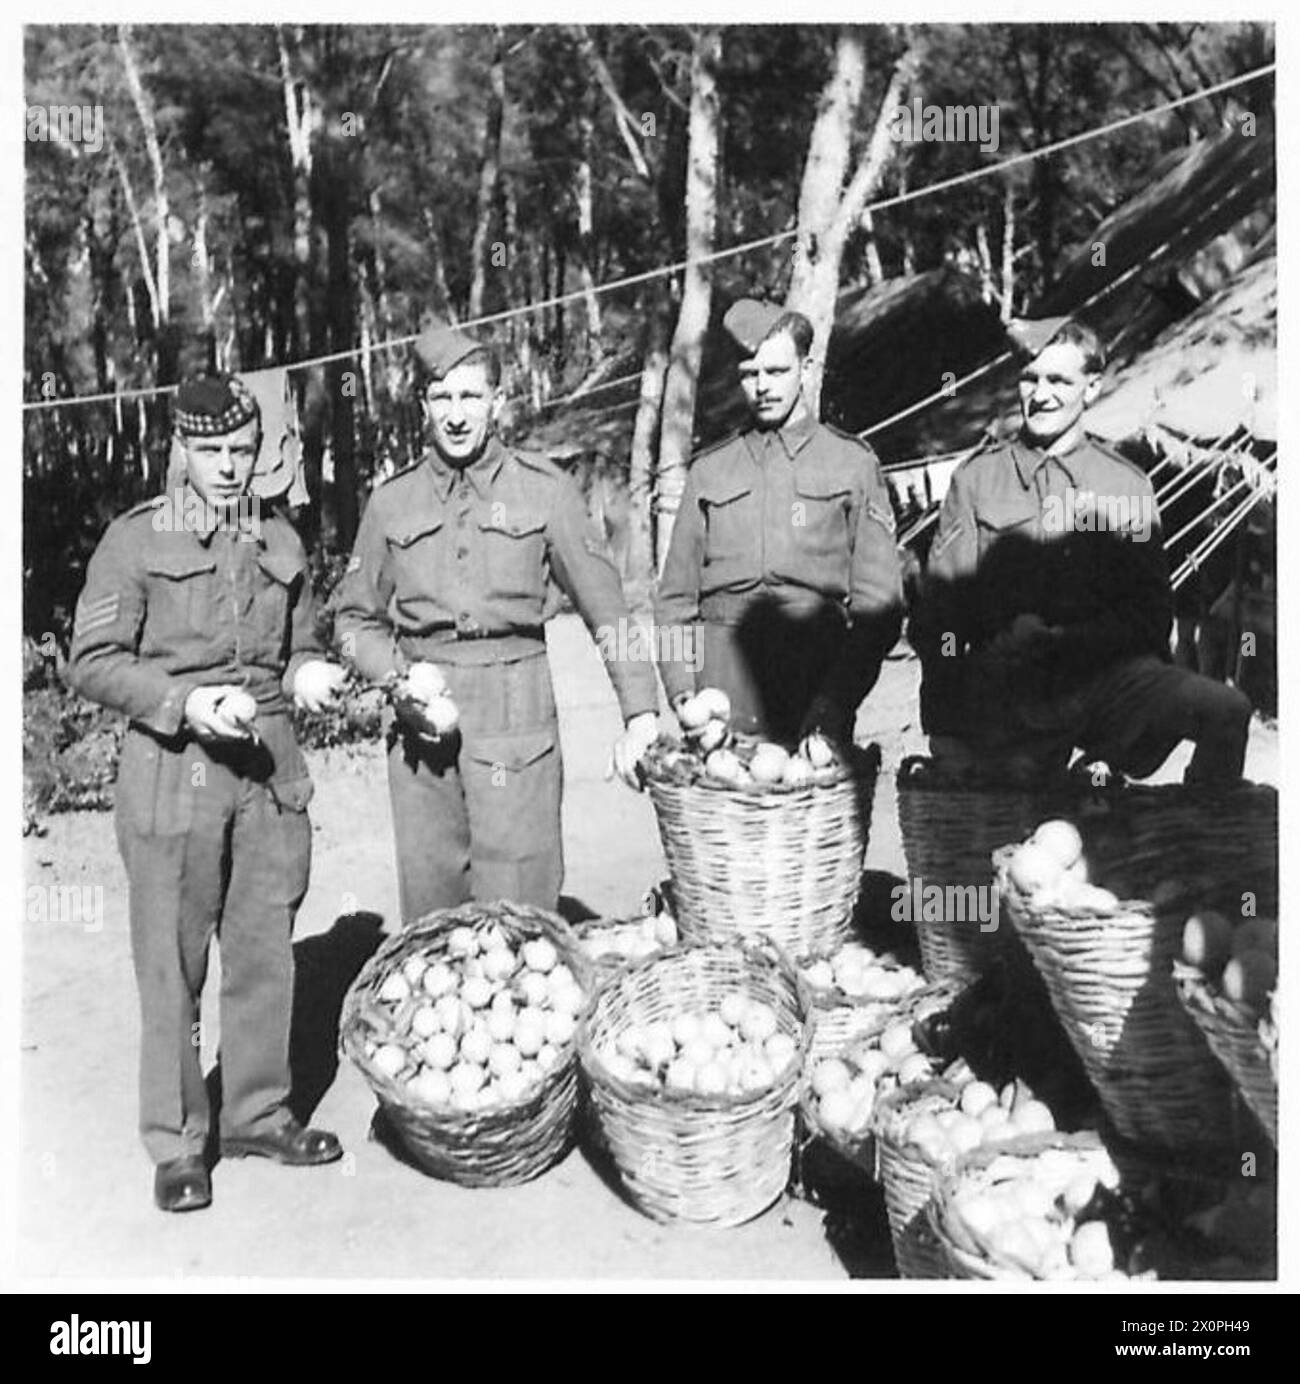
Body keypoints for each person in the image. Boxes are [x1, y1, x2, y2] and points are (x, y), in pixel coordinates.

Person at [67, 374, 349, 1214]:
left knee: (264, 948)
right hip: (173, 765)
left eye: (243, 453)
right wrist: (183, 702)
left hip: (266, 765)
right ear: (180, 450)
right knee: (173, 963)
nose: (229, 469)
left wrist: (311, 674)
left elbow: (293, 650)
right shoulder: (135, 541)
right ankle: (181, 1141)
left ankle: (258, 1111)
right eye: (213, 452)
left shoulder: (280, 539)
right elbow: (89, 661)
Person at [331, 325, 659, 923]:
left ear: (498, 403)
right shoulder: (391, 503)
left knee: (521, 912)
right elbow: (353, 621)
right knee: (433, 920)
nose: (457, 416)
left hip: (517, 717)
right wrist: (396, 678)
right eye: (443, 398)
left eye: (471, 397)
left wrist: (640, 714)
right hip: (419, 730)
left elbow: (607, 608)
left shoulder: (546, 492)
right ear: (424, 405)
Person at [909, 316, 1252, 784]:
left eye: (1058, 381)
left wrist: (1067, 642)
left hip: (1106, 684)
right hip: (1008, 694)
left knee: (1226, 711)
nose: (1041, 394)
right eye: (1030, 379)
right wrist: (946, 725)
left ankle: (1195, 837)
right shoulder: (977, 481)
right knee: (1026, 810)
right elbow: (939, 624)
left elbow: (1151, 616)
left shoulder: (1124, 484)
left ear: (1091, 388)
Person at [653, 299, 904, 748]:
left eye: (776, 372)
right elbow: (673, 604)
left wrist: (837, 700)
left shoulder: (851, 464)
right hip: (720, 702)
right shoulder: (710, 471)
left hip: (815, 690)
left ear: (806, 370)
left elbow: (879, 608)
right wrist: (682, 695)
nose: (762, 387)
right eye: (750, 374)